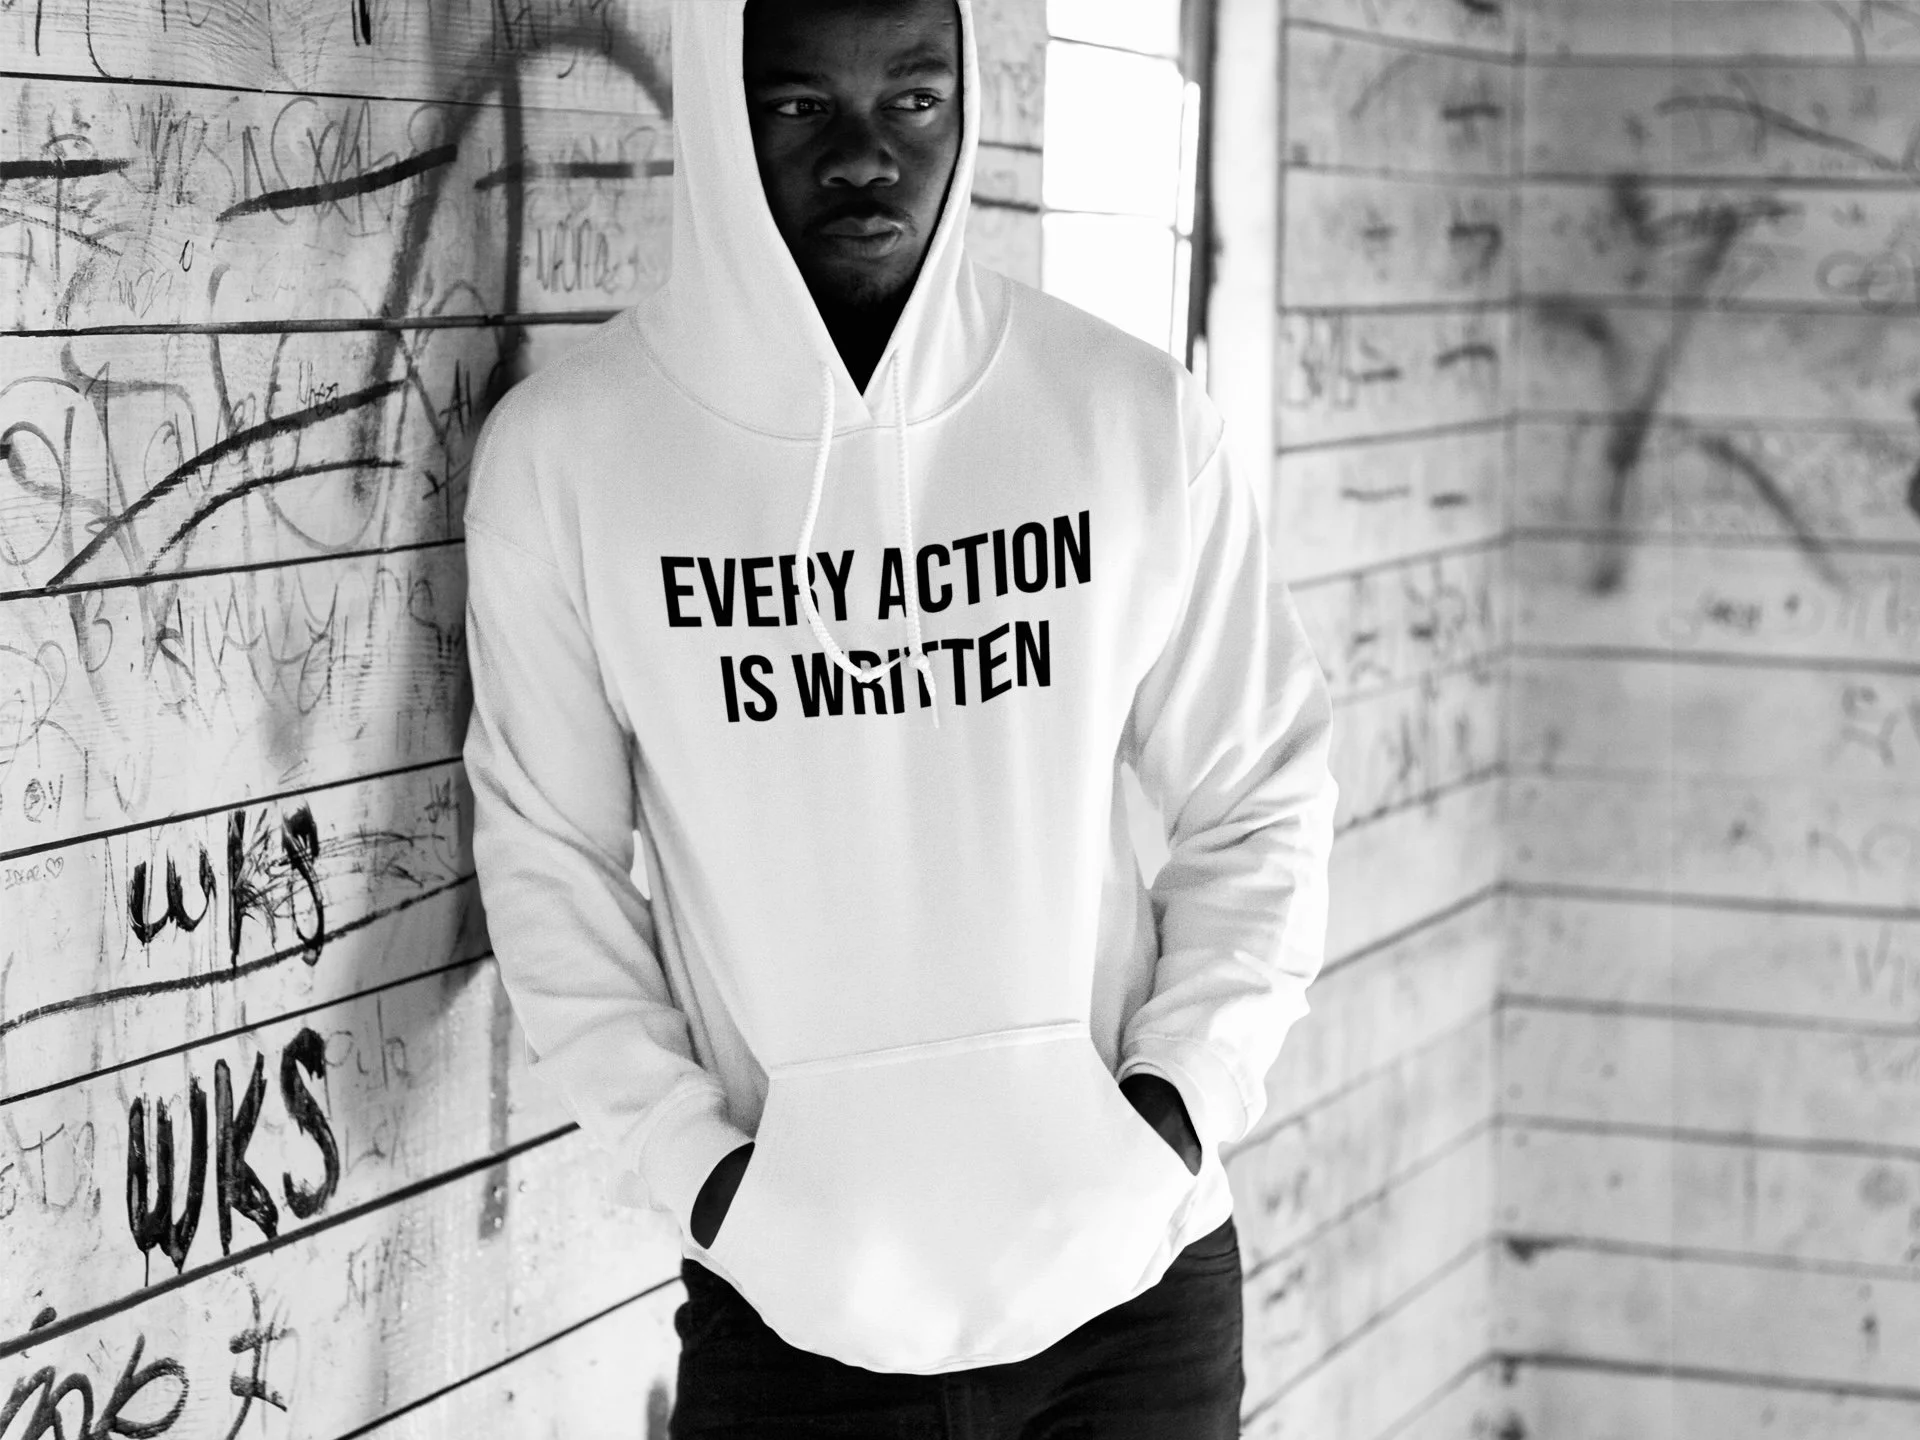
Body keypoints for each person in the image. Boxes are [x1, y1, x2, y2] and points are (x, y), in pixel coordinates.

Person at [460, 0, 1338, 1432]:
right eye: (802, 107)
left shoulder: (1123, 416)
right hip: (791, 1313)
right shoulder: (575, 457)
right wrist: (709, 1179)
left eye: (914, 100)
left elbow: (1266, 794)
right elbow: (547, 858)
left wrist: (1178, 1109)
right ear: (723, 114)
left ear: (966, 104)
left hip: (1135, 1304)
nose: (866, 156)